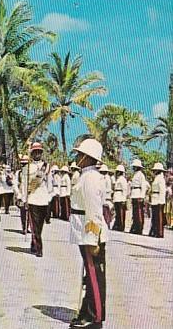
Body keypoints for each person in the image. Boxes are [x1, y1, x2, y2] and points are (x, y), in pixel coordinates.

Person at [69, 138, 108, 329]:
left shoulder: (91, 178)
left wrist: (92, 239)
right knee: (89, 275)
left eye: (79, 154)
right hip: (83, 231)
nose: (76, 157)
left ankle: (95, 317)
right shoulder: (85, 175)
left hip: (89, 233)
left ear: (87, 157)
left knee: (94, 276)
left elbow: (93, 211)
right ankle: (87, 310)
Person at [21, 143, 51, 257]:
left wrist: (49, 196)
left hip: (43, 198)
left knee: (40, 225)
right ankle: (39, 248)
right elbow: (24, 184)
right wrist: (25, 199)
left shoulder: (46, 166)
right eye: (35, 152)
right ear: (32, 153)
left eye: (39, 151)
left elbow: (50, 182)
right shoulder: (26, 167)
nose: (37, 154)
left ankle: (34, 243)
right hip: (32, 199)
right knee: (34, 225)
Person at [129, 159, 148, 235]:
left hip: (138, 194)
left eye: (134, 166)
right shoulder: (135, 174)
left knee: (139, 213)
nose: (133, 168)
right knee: (135, 213)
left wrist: (142, 196)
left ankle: (139, 228)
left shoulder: (141, 175)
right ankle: (135, 227)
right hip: (134, 194)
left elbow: (143, 186)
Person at [149, 163, 166, 238]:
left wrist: (161, 201)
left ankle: (159, 232)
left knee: (159, 217)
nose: (154, 171)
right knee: (155, 217)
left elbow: (162, 190)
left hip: (159, 199)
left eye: (155, 170)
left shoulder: (161, 179)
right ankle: (155, 231)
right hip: (154, 198)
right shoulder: (156, 178)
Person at [15, 154, 30, 234]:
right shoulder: (19, 173)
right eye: (23, 164)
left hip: (30, 196)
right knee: (23, 213)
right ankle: (24, 227)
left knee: (30, 213)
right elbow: (15, 184)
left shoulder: (32, 172)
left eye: (26, 164)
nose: (24, 165)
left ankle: (28, 227)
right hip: (22, 195)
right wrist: (18, 194)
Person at [112, 165, 129, 232]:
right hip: (117, 196)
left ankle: (121, 226)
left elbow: (124, 189)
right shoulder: (118, 179)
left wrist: (123, 199)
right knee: (118, 213)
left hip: (120, 197)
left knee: (121, 213)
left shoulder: (123, 179)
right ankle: (117, 225)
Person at [99, 165, 113, 229]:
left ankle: (107, 223)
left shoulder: (107, 178)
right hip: (103, 195)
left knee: (106, 211)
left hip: (106, 195)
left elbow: (108, 188)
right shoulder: (103, 177)